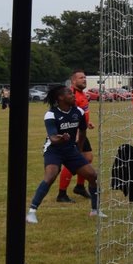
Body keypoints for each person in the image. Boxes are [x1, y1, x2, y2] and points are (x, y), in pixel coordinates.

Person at [25, 85, 101, 223]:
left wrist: (78, 148)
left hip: (70, 150)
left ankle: (95, 211)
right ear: (60, 97)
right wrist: (60, 138)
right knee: (50, 176)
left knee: (93, 176)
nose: (73, 96)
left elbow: (83, 132)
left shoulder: (78, 112)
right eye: (70, 94)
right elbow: (53, 137)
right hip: (54, 150)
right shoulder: (51, 114)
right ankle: (31, 212)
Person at [56, 70, 95, 203]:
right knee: (71, 161)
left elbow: (79, 113)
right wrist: (76, 132)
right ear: (73, 81)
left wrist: (86, 122)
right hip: (74, 133)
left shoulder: (82, 93)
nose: (84, 79)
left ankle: (79, 186)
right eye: (81, 78)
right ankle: (61, 194)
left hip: (81, 131)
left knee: (87, 157)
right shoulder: (71, 95)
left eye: (85, 77)